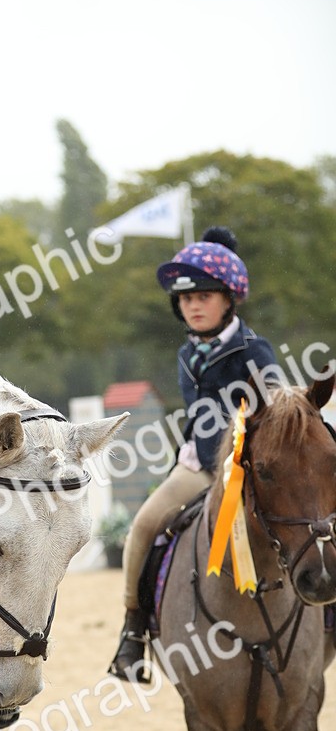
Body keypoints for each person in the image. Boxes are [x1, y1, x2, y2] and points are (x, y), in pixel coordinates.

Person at [108, 226, 278, 681]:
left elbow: (274, 415)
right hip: (198, 467)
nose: (193, 306)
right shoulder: (188, 352)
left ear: (229, 299)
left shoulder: (255, 351)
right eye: (185, 299)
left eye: (204, 296)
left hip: (247, 467)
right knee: (142, 527)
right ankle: (133, 630)